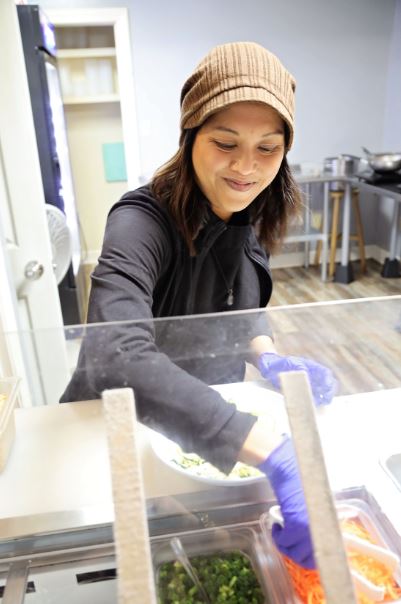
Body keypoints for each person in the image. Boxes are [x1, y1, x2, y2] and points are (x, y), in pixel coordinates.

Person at [61, 41, 337, 569]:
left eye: (268, 149)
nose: (246, 168)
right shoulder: (140, 222)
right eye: (225, 142)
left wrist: (266, 356)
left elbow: (236, 300)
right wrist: (276, 455)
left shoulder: (245, 210)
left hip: (189, 431)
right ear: (190, 135)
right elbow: (116, 355)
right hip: (108, 435)